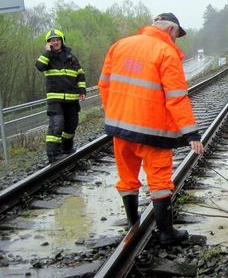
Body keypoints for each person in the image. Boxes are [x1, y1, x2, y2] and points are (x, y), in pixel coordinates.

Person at [98, 13, 204, 246]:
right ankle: (166, 232)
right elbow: (176, 98)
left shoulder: (119, 46)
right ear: (171, 30)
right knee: (159, 180)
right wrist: (191, 134)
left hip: (120, 128)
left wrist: (115, 113)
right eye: (177, 35)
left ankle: (132, 222)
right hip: (152, 132)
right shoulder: (167, 53)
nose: (176, 39)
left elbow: (104, 85)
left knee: (127, 177)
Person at [35, 29, 86, 163]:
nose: (55, 42)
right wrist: (47, 51)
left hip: (72, 98)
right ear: (48, 43)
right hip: (55, 99)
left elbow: (80, 73)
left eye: (57, 39)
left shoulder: (71, 56)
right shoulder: (47, 56)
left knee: (71, 125)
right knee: (57, 125)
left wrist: (82, 89)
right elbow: (39, 66)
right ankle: (53, 154)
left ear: (62, 41)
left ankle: (67, 148)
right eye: (52, 40)